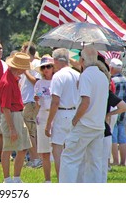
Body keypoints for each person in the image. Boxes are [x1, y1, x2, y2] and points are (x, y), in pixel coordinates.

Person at [59, 45, 109, 183]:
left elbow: (85, 102)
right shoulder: (103, 76)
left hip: (85, 123)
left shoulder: (86, 75)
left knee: (69, 158)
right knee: (94, 162)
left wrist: (75, 120)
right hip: (98, 125)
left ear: (82, 60)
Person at [44, 48, 80, 179]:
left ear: (55, 60)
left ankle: (61, 180)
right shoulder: (77, 74)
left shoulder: (58, 76)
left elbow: (55, 101)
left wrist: (48, 124)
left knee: (57, 149)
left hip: (62, 113)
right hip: (75, 113)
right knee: (73, 150)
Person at [0, 52, 32, 183]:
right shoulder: (7, 82)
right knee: (8, 148)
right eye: (23, 68)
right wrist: (11, 128)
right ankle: (7, 179)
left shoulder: (14, 79)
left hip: (17, 115)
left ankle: (16, 178)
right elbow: (5, 108)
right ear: (18, 68)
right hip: (11, 116)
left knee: (23, 147)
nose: (24, 71)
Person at [19, 42, 42, 168]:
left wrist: (26, 71)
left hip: (31, 101)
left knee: (30, 132)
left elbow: (36, 83)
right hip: (25, 101)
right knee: (28, 131)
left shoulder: (36, 65)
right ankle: (34, 158)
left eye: (22, 50)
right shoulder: (25, 65)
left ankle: (36, 159)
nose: (21, 52)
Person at [33, 55, 54, 182]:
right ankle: (47, 180)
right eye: (43, 67)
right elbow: (37, 100)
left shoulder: (58, 80)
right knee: (44, 151)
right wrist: (36, 99)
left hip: (56, 115)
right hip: (42, 114)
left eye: (48, 66)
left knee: (58, 150)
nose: (46, 69)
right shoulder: (39, 83)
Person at [109, 58, 126, 166]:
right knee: (122, 139)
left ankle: (115, 161)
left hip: (114, 110)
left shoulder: (112, 80)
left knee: (113, 136)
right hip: (124, 111)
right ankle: (123, 162)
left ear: (112, 68)